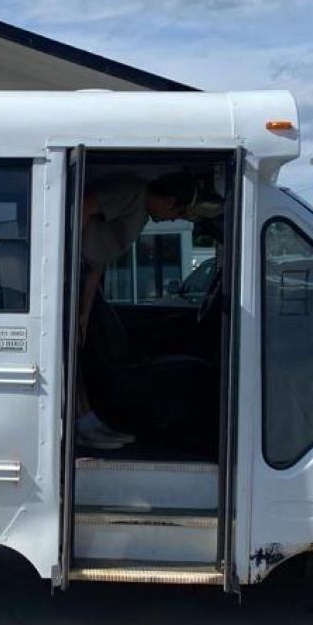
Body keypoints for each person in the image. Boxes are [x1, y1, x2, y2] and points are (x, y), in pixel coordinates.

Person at [75, 170, 198, 451]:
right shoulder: (134, 191)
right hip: (68, 271)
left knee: (77, 348)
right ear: (167, 200)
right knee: (68, 353)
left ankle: (87, 420)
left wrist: (84, 310)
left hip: (81, 274)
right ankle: (83, 423)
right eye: (175, 211)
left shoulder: (141, 211)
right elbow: (83, 207)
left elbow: (98, 261)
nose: (172, 218)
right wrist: (65, 261)